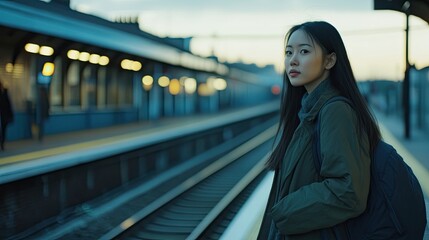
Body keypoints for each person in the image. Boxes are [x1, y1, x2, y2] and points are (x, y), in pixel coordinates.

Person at [258, 21, 381, 239]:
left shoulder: (336, 111)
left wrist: (285, 211)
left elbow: (348, 191)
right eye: (288, 52)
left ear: (330, 60)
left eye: (304, 51)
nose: (292, 60)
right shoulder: (307, 111)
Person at [0, 81, 14, 150]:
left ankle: (2, 144)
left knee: (3, 130)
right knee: (3, 130)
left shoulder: (5, 94)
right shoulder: (4, 94)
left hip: (3, 116)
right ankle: (2, 144)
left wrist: (10, 115)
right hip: (3, 116)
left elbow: (8, 105)